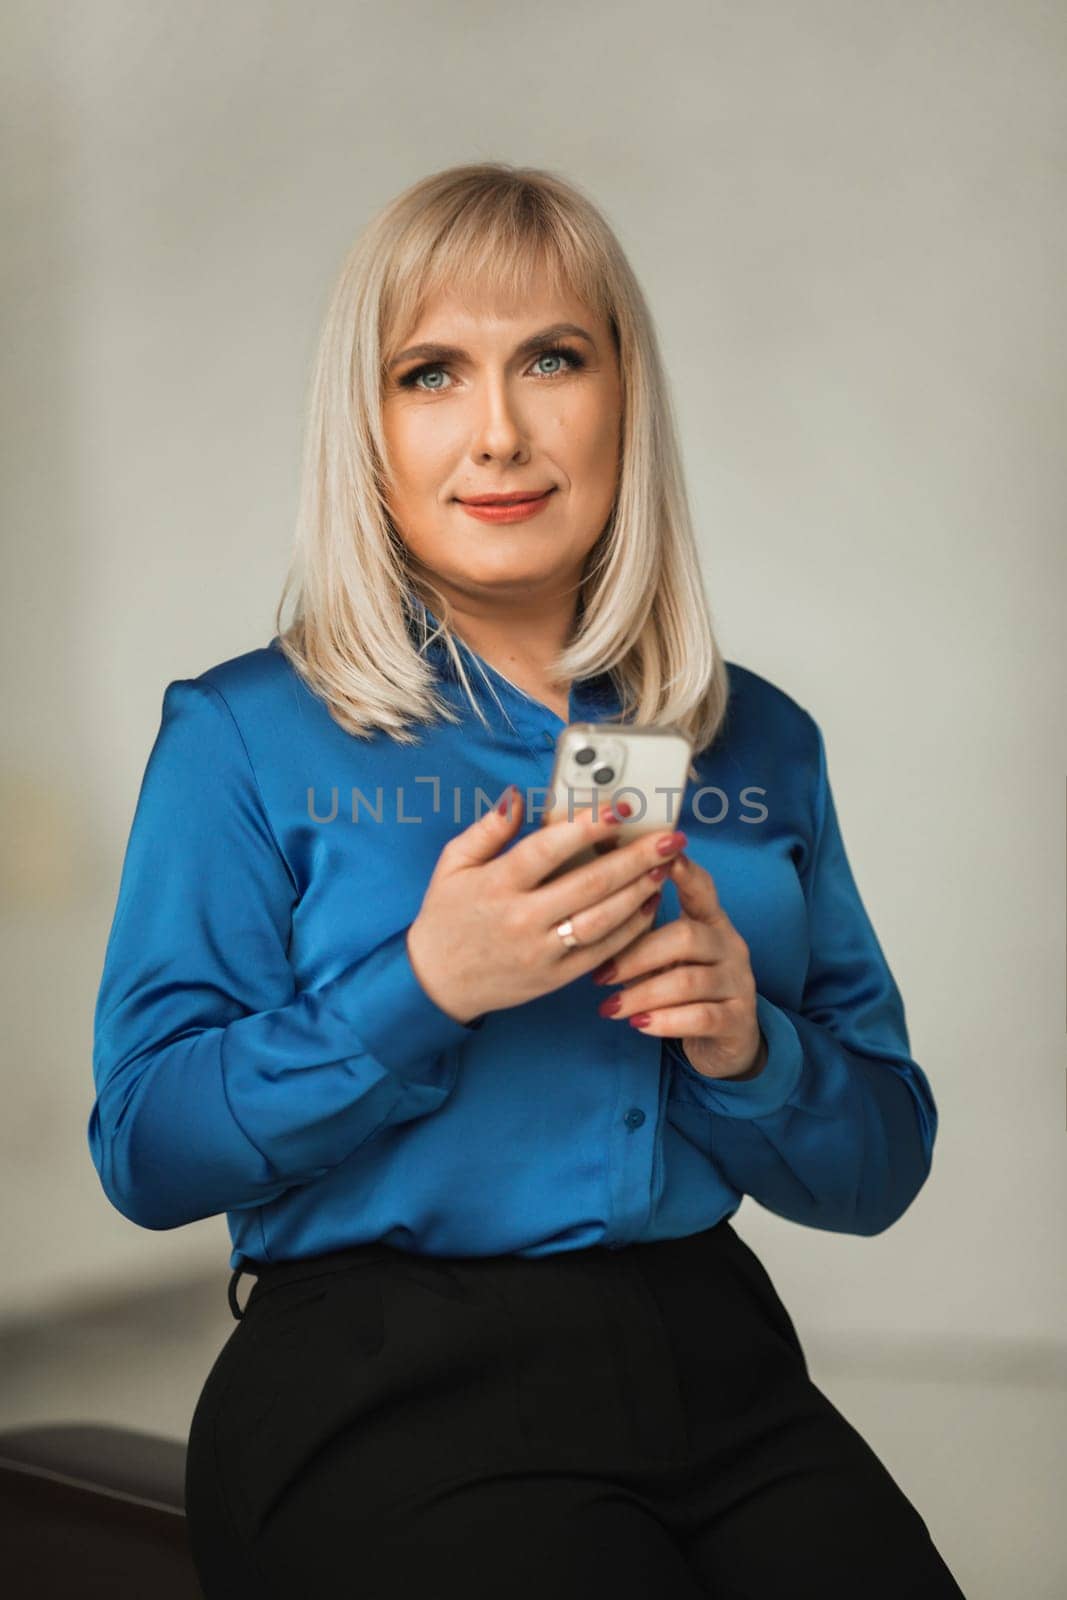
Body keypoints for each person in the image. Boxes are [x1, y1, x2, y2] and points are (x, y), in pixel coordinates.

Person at [88, 162, 966, 1599]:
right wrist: (423, 988)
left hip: (722, 1366)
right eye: (431, 373)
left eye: (552, 358)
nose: (498, 432)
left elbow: (882, 1166)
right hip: (378, 1379)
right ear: (364, 430)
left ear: (625, 395)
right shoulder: (242, 735)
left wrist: (751, 1048)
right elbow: (143, 1151)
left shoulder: (761, 741)